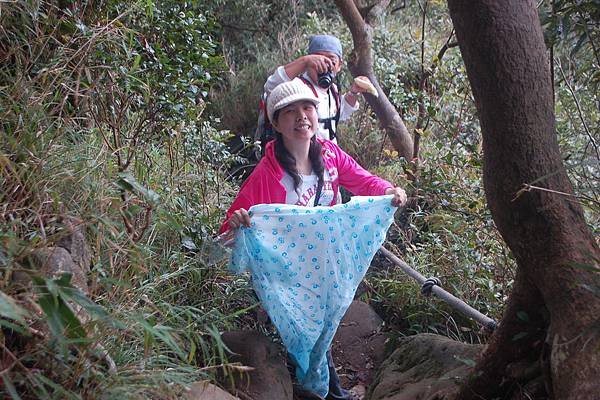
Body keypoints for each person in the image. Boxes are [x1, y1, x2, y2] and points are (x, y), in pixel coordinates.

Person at [220, 79, 407, 399]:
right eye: (289, 111)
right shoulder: (268, 172)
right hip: (289, 272)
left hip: (326, 265)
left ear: (317, 114)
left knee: (321, 331)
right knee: (309, 334)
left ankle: (315, 386)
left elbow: (363, 180)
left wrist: (388, 191)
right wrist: (238, 222)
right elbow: (230, 227)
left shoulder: (330, 154)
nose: (301, 116)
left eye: (307, 108)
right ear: (276, 123)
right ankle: (327, 393)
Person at [263, 34, 374, 143]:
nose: (324, 67)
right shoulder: (297, 87)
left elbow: (340, 113)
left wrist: (354, 92)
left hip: (330, 155)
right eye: (318, 60)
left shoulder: (333, 90)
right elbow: (271, 87)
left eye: (331, 61)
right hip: (304, 156)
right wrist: (304, 61)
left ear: (339, 65)